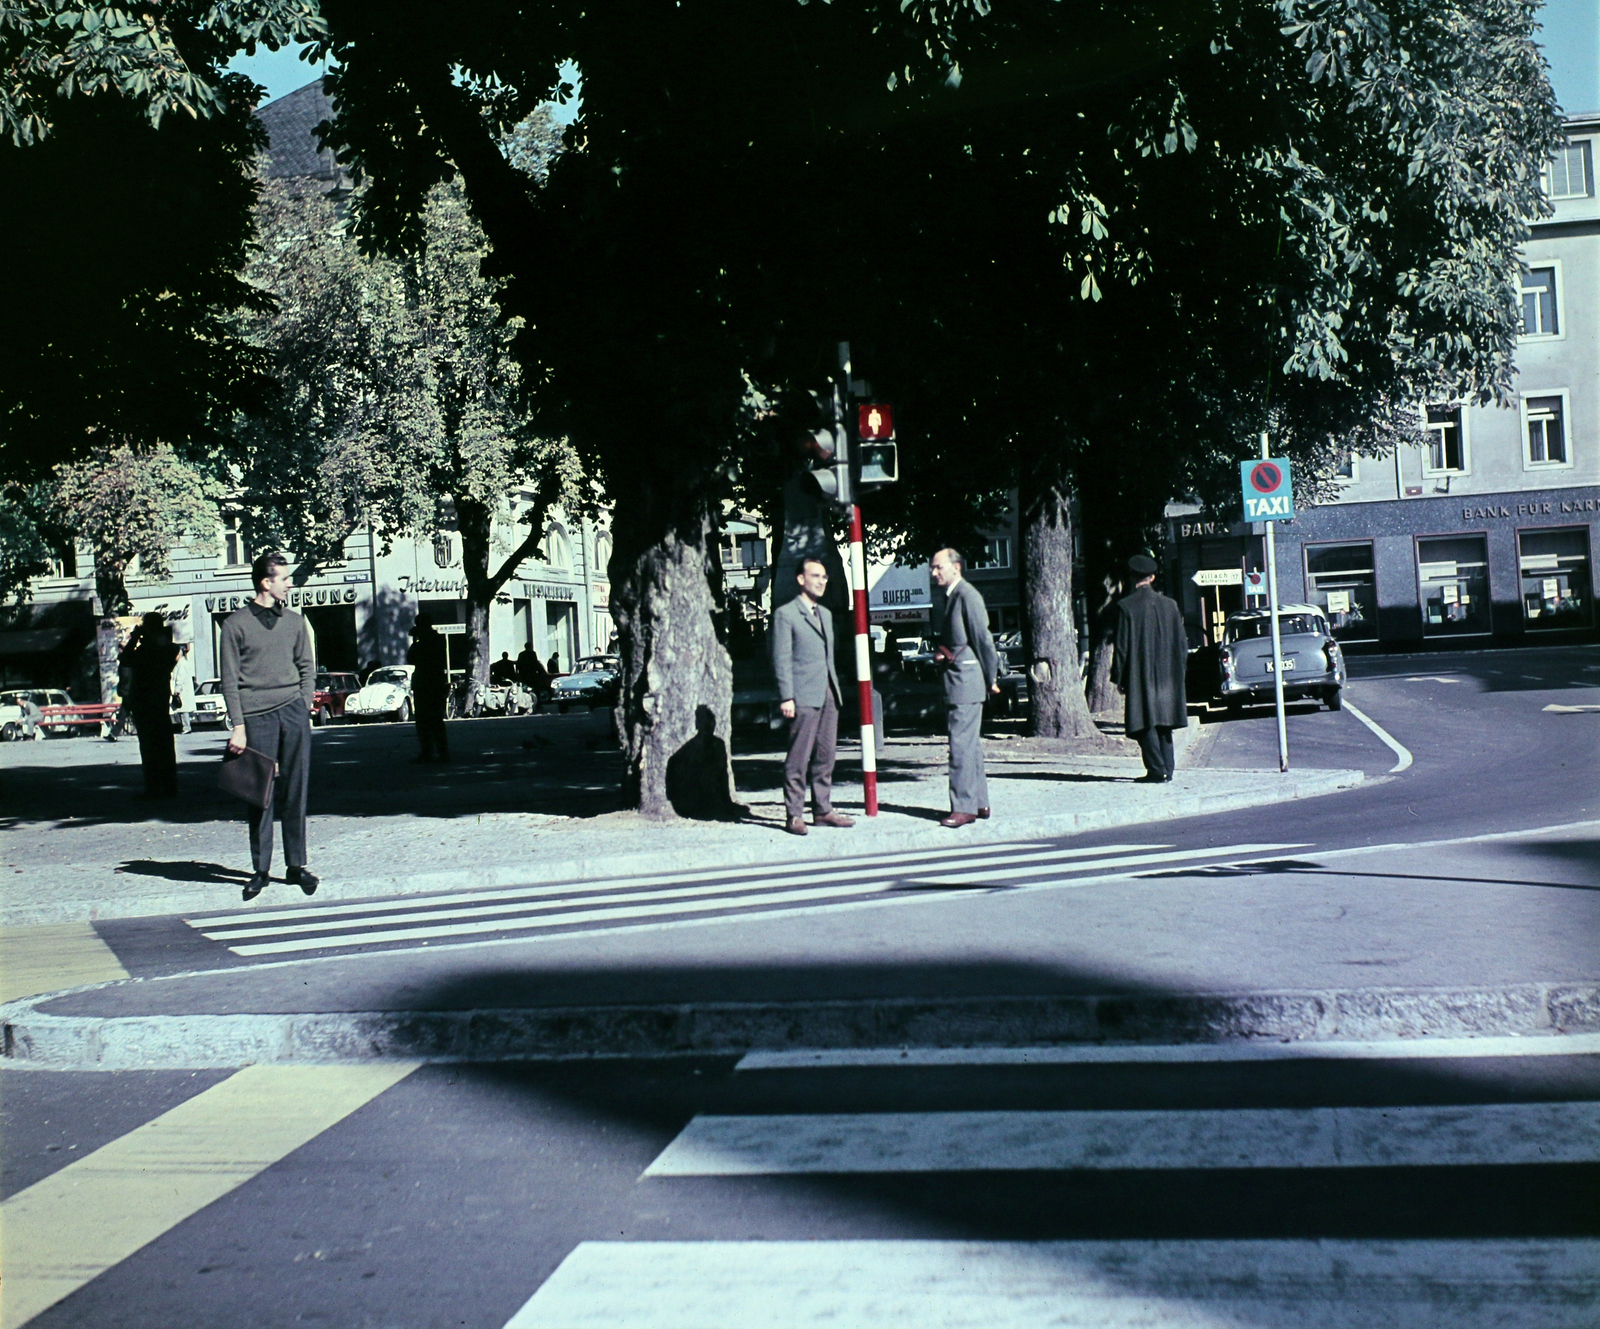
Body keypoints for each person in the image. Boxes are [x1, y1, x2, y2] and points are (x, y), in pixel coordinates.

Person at [222, 552, 318, 900]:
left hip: (292, 713)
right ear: (266, 582)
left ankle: (296, 866)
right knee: (259, 794)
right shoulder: (235, 625)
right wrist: (238, 725)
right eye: (284, 578)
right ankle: (260, 869)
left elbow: (307, 667)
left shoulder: (294, 621)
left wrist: (303, 705)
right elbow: (229, 681)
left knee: (297, 789)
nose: (290, 583)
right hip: (256, 716)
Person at [770, 558, 854, 836]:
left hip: (829, 693)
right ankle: (794, 814)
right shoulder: (786, 614)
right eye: (815, 576)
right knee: (798, 757)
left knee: (826, 756)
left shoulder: (826, 615)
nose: (821, 581)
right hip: (802, 695)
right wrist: (786, 696)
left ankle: (822, 809)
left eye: (824, 576)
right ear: (800, 579)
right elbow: (781, 658)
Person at [930, 548, 1000, 827]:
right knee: (969, 746)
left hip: (966, 681)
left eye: (939, 568)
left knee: (959, 745)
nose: (934, 573)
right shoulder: (952, 596)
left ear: (956, 567)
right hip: (959, 679)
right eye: (933, 569)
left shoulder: (967, 595)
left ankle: (963, 807)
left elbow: (983, 639)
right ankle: (979, 803)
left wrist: (991, 677)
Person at [1113, 553, 1189, 784]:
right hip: (1168, 676)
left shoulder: (1126, 607)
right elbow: (1182, 644)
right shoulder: (1171, 606)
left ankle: (1157, 770)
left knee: (1143, 722)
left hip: (1140, 675)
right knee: (1165, 723)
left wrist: (1119, 677)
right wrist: (1180, 673)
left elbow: (1121, 647)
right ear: (1152, 577)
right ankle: (1167, 768)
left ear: (1131, 577)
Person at [124, 613, 180, 797]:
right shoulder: (166, 649)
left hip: (144, 701)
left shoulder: (145, 650)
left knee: (148, 747)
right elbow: (173, 650)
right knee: (164, 745)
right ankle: (169, 784)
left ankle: (154, 786)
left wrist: (135, 637)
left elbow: (125, 659)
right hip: (160, 700)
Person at [407, 622, 450, 762]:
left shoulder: (428, 642)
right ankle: (440, 751)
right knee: (434, 720)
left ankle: (429, 751)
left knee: (426, 720)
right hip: (434, 683)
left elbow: (412, 658)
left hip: (427, 683)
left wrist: (415, 641)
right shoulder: (438, 640)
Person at [171, 640, 195, 735]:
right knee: (182, 710)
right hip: (184, 690)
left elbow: (180, 678)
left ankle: (186, 727)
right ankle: (185, 726)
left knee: (183, 710)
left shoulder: (181, 664)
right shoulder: (183, 663)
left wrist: (177, 690)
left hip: (183, 691)